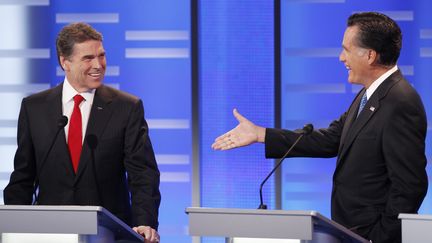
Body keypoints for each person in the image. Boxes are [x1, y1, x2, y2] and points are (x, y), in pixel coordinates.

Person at [212, 12, 427, 243]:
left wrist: (381, 237)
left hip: (371, 236)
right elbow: (331, 139)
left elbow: (410, 186)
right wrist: (261, 134)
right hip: (350, 232)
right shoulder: (370, 94)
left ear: (370, 56)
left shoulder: (400, 102)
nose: (341, 57)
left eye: (346, 49)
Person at [4, 23, 161, 243]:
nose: (98, 65)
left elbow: (143, 174)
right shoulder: (34, 108)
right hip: (49, 234)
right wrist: (13, 227)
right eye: (88, 58)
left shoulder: (126, 107)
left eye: (102, 55)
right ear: (64, 62)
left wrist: (145, 222)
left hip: (109, 234)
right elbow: (23, 177)